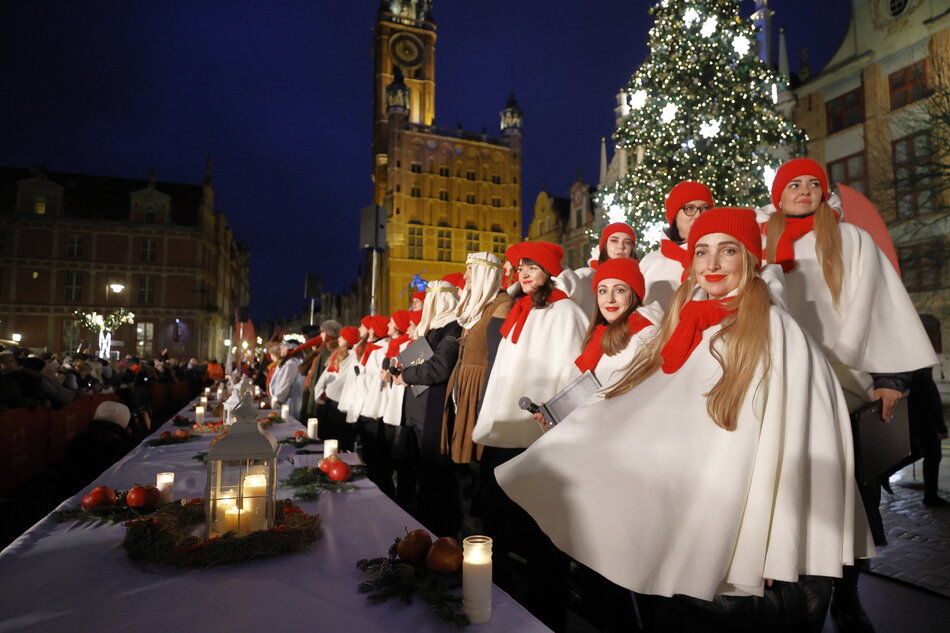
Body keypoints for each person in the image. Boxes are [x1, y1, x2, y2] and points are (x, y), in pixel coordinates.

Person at [496, 208, 865, 632]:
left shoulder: (778, 333)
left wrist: (777, 545)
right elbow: (639, 406)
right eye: (702, 251)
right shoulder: (687, 325)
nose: (710, 264)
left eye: (727, 251)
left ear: (749, 258)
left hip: (745, 541)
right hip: (689, 520)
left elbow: (801, 446)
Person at [763, 158, 939, 632]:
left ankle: (846, 593)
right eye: (793, 184)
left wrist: (892, 378)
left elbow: (884, 306)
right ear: (777, 195)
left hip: (847, 389)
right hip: (779, 390)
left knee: (855, 496)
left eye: (812, 184)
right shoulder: (758, 242)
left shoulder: (851, 240)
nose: (803, 191)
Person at [471, 240, 589, 632]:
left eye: (532, 266)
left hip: (536, 437)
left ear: (550, 271)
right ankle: (498, 600)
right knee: (495, 523)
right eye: (521, 266)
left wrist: (556, 419)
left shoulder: (565, 312)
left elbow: (571, 372)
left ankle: (543, 618)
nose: (523, 272)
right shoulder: (519, 311)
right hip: (504, 434)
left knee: (539, 535)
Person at [395, 280, 462, 537]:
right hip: (417, 410)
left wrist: (407, 375)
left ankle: (438, 534)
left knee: (436, 478)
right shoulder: (435, 329)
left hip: (431, 411)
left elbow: (440, 367)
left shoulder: (452, 327)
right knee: (422, 472)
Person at [440, 251, 512, 464]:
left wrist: (483, 401)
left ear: (484, 273)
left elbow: (496, 358)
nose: (465, 275)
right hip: (464, 384)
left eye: (470, 270)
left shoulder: (501, 305)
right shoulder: (476, 306)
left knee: (476, 459)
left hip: (480, 385)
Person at [571, 257, 660, 389]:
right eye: (603, 290)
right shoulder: (598, 334)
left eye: (619, 290)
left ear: (633, 294)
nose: (609, 299)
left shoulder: (646, 336)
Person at [639, 180, 713, 307]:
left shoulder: (723, 259)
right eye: (689, 208)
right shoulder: (651, 263)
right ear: (674, 217)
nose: (698, 215)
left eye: (705, 208)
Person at [573, 222, 639, 315]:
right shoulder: (585, 276)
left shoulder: (638, 280)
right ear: (605, 245)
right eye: (614, 241)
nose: (621, 247)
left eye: (627, 242)